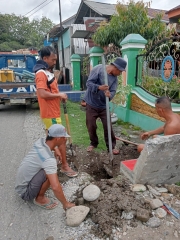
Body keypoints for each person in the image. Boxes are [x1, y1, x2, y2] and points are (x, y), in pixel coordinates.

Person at [33, 46, 77, 177]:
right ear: (45, 58)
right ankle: (64, 166)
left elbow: (51, 92)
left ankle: (49, 163)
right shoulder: (41, 73)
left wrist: (59, 96)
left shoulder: (48, 72)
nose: (54, 62)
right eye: (53, 59)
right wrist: (59, 96)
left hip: (53, 112)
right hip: (50, 113)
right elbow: (42, 94)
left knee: (54, 139)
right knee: (60, 139)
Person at [15, 124, 75, 210]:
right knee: (50, 173)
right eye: (63, 137)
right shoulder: (48, 160)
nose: (65, 139)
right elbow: (55, 187)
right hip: (25, 192)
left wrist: (56, 148)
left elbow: (50, 144)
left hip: (20, 184)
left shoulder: (40, 142)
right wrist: (66, 204)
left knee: (49, 169)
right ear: (57, 138)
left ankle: (38, 188)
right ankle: (39, 198)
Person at [84, 57, 127, 154]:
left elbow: (113, 91)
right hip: (91, 103)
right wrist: (99, 87)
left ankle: (111, 146)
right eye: (120, 71)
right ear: (115, 68)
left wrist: (110, 95)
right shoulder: (98, 69)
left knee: (108, 126)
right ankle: (93, 143)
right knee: (91, 125)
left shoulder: (114, 79)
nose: (120, 74)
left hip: (103, 105)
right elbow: (89, 83)